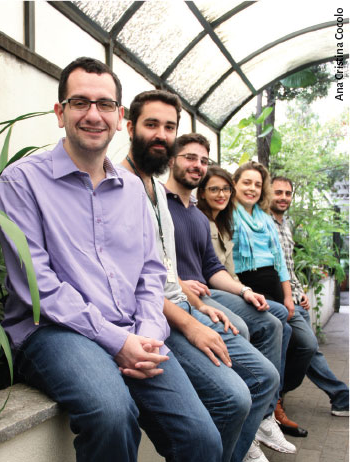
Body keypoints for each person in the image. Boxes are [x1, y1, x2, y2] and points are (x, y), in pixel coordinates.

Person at [0, 57, 224, 462]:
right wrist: (118, 341)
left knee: (201, 439)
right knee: (112, 413)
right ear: (60, 112)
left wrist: (149, 333)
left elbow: (151, 273)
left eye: (104, 105)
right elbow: (38, 287)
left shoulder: (134, 191)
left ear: (120, 118)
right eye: (79, 102)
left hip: (135, 329)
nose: (92, 114)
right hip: (53, 331)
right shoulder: (22, 181)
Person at [120, 90, 280, 462]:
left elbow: (170, 271)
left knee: (265, 376)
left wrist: (199, 305)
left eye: (169, 127)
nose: (161, 134)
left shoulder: (157, 191)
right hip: (152, 320)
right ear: (129, 126)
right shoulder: (119, 185)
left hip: (183, 309)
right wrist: (191, 319)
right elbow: (131, 283)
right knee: (235, 397)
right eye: (151, 124)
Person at [165, 133, 297, 457]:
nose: (197, 166)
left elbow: (212, 266)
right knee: (247, 326)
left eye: (203, 160)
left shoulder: (195, 215)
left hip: (206, 291)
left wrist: (245, 290)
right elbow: (152, 264)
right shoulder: (157, 206)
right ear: (171, 159)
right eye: (189, 157)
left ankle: (260, 418)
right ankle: (250, 410)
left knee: (277, 317)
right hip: (185, 298)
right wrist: (182, 284)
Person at [231, 161, 314, 440]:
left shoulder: (265, 218)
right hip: (245, 287)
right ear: (235, 183)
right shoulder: (228, 213)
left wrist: (289, 296)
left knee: (303, 344)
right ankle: (265, 412)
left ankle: (273, 402)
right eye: (246, 182)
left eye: (257, 184)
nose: (252, 188)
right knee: (282, 334)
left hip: (276, 290)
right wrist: (240, 290)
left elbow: (280, 261)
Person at [271, 176, 349, 417]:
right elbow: (271, 269)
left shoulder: (286, 223)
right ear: (268, 194)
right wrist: (286, 295)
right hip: (279, 302)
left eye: (287, 193)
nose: (284, 197)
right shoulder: (262, 223)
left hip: (295, 298)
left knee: (310, 349)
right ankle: (276, 395)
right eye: (278, 192)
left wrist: (300, 289)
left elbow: (288, 265)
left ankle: (340, 397)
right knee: (307, 346)